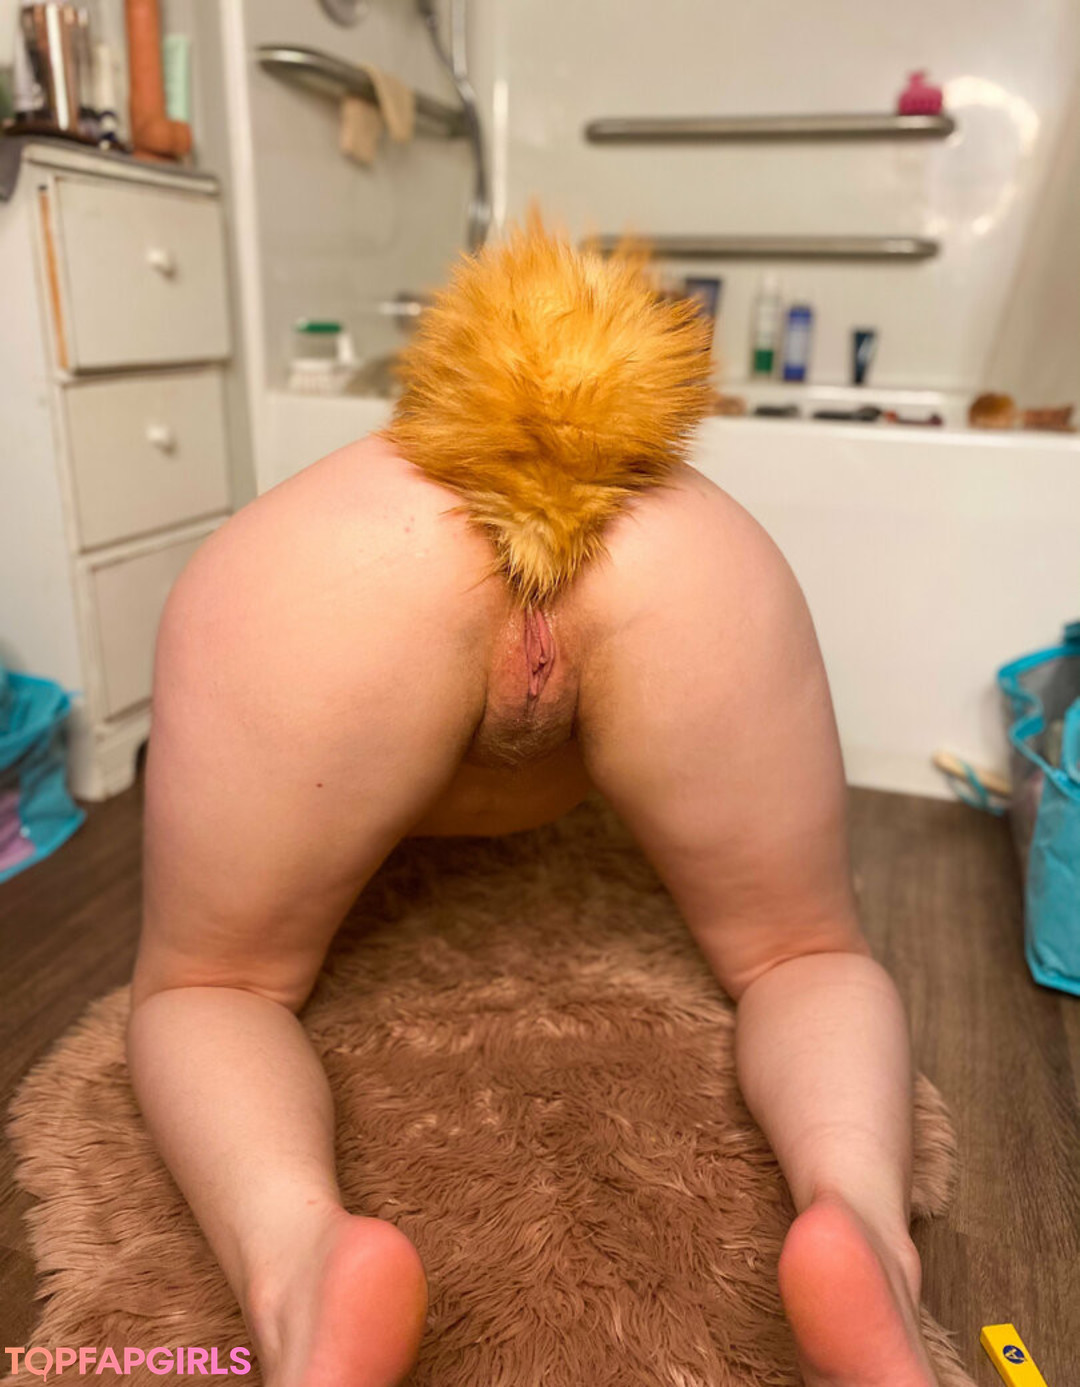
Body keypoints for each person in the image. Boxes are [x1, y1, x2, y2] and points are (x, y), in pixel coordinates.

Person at [127, 218, 938, 1387]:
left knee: (213, 986)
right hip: (668, 565)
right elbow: (802, 946)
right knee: (801, 953)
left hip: (347, 578)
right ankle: (860, 1218)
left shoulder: (337, 515)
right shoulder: (699, 532)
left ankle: (303, 1260)